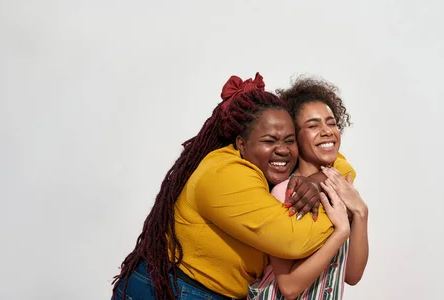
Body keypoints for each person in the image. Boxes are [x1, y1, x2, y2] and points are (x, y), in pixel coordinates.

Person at [111, 73, 357, 299]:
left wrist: (320, 179)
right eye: (269, 140)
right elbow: (292, 241)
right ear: (241, 143)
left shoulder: (276, 169)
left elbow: (337, 161)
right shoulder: (226, 173)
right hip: (173, 290)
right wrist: (346, 211)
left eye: (289, 140)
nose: (282, 149)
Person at [247, 76, 369, 300]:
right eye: (313, 125)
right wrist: (341, 232)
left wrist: (361, 213)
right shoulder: (284, 192)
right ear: (295, 136)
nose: (327, 131)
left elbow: (351, 275)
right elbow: (290, 287)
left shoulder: (344, 187)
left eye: (331, 123)